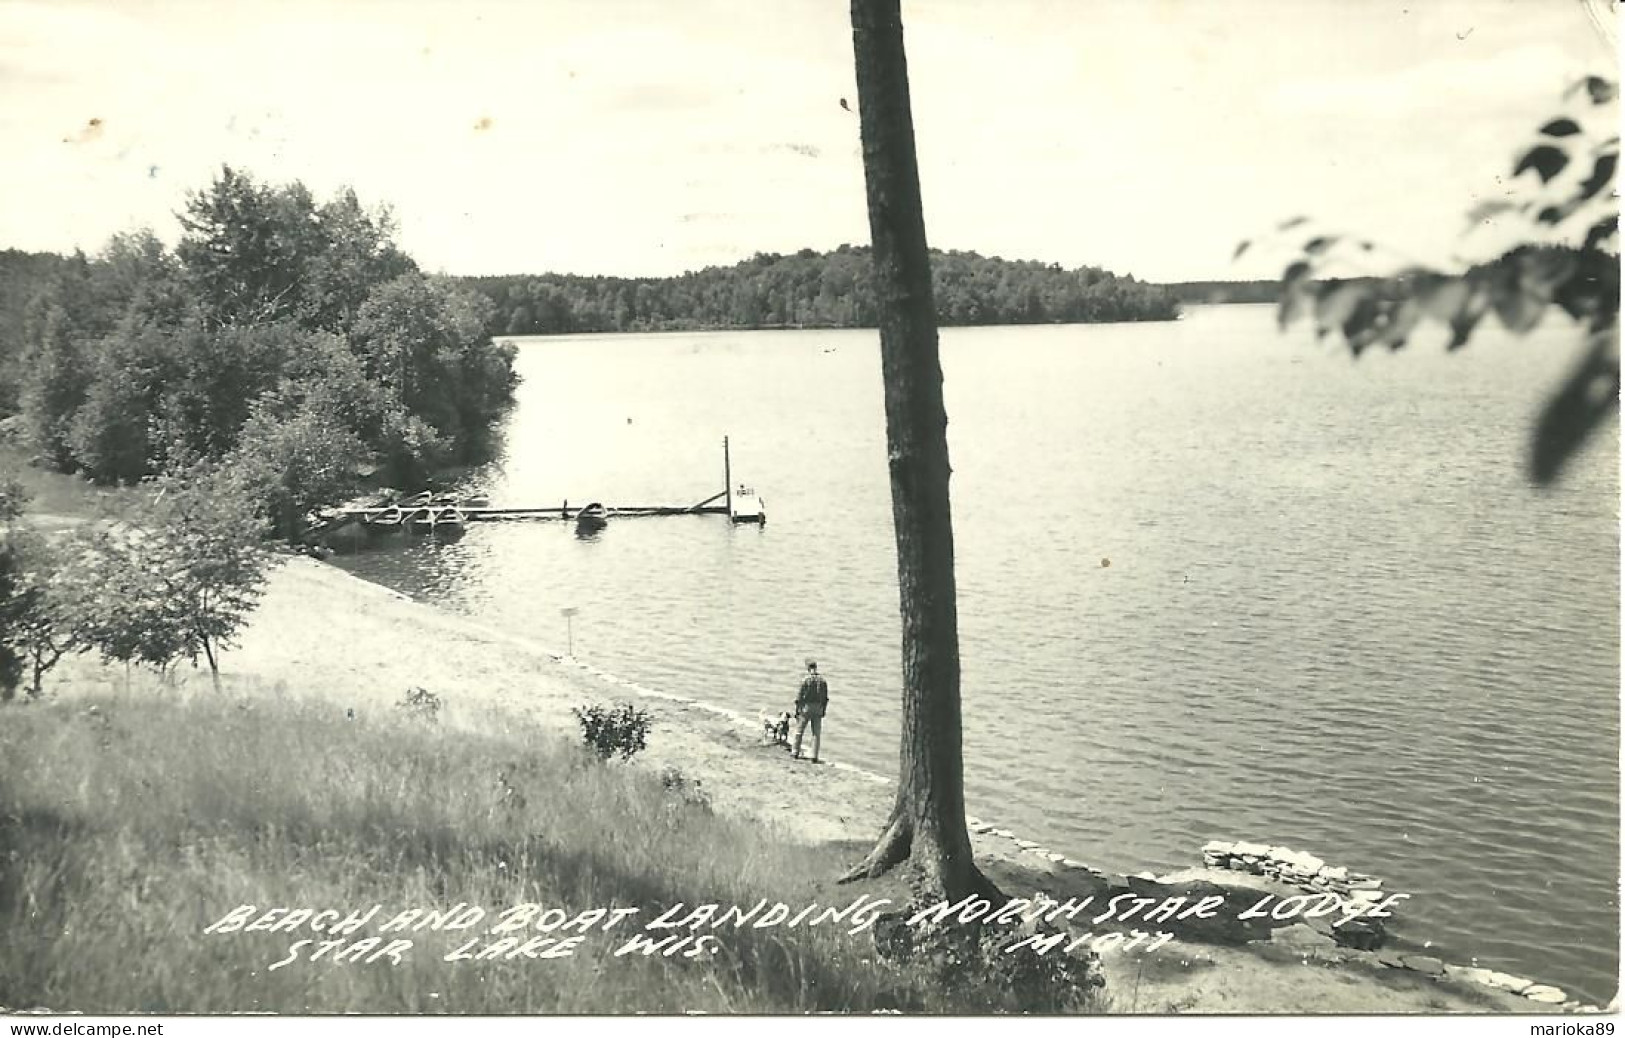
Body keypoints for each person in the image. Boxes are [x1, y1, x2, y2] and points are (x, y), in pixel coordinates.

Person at [793, 659, 829, 762]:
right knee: (816, 733)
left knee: (799, 731)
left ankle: (795, 752)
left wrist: (797, 711)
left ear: (808, 668)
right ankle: (814, 756)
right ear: (816, 668)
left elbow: (799, 697)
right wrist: (823, 710)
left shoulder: (805, 680)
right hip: (818, 707)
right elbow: (825, 698)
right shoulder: (823, 681)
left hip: (807, 707)